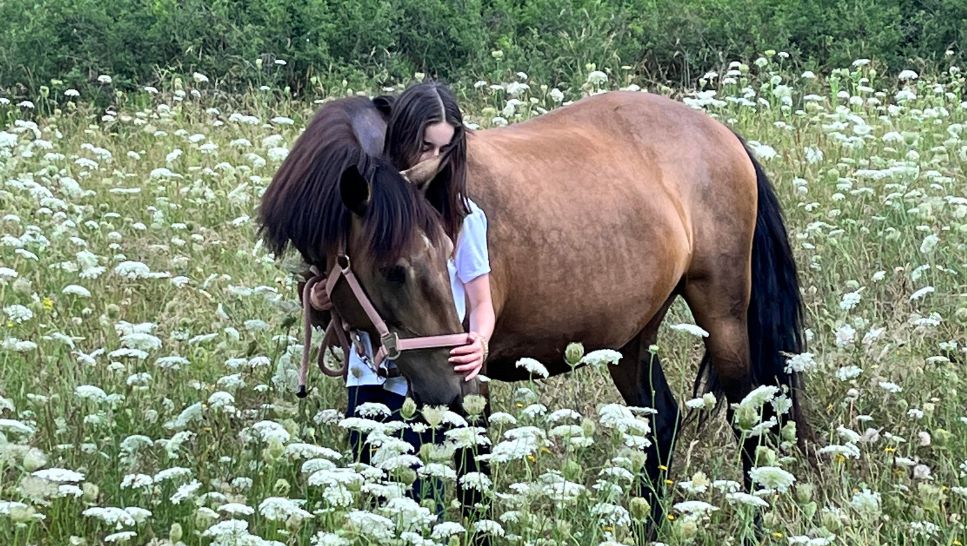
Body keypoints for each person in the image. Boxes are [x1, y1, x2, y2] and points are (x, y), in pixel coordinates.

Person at [301, 81, 494, 510]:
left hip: (434, 372)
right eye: (425, 147)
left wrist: (478, 342)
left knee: (427, 504)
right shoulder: (368, 212)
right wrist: (319, 298)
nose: (434, 161)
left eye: (445, 149)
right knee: (376, 505)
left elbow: (482, 302)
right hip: (370, 382)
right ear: (401, 138)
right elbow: (341, 279)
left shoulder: (463, 217)